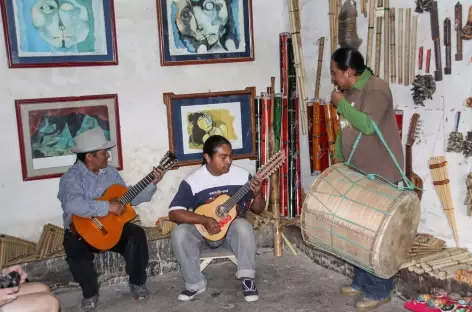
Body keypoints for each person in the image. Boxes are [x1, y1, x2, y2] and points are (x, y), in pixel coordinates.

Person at [329, 47, 404, 311]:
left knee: (377, 236)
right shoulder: (350, 93)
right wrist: (338, 159)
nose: (334, 78)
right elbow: (345, 130)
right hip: (358, 173)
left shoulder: (376, 89)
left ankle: (379, 290)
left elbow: (368, 125)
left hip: (380, 173)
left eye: (336, 73)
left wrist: (340, 103)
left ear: (349, 71)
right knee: (359, 232)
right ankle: (362, 280)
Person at [57, 127, 164, 311]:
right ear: (89, 156)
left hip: (111, 229)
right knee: (74, 250)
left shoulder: (111, 173)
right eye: (104, 153)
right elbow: (72, 205)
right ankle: (90, 294)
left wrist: (151, 184)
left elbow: (127, 198)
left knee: (136, 234)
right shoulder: (71, 177)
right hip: (82, 231)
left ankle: (137, 283)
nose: (108, 156)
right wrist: (107, 207)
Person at [168, 135, 265, 302]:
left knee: (243, 225)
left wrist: (257, 194)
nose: (228, 161)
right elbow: (174, 212)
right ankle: (195, 283)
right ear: (207, 158)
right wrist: (204, 220)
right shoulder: (193, 181)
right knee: (179, 233)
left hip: (230, 233)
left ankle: (248, 279)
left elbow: (259, 209)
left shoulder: (242, 176)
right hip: (202, 233)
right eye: (223, 157)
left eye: (230, 156)